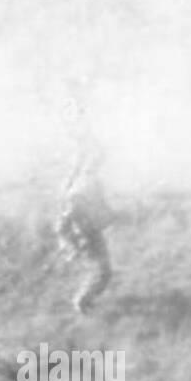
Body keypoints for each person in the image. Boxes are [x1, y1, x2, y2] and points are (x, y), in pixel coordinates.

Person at [55, 99, 115, 314]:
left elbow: (100, 208)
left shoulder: (86, 178)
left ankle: (84, 301)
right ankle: (82, 302)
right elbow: (65, 220)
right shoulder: (81, 185)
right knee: (103, 272)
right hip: (85, 234)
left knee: (103, 271)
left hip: (88, 231)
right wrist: (71, 243)